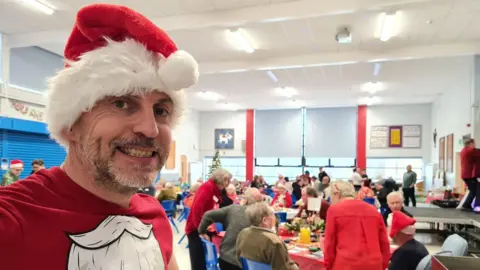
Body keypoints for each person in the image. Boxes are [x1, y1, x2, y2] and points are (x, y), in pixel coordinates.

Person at [0, 4, 200, 269]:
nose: (150, 129)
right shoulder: (13, 220)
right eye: (120, 103)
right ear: (71, 123)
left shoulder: (154, 217)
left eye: (161, 110)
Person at [324, 181, 390, 270]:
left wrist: (328, 265)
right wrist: (383, 265)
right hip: (374, 263)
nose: (330, 201)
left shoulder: (334, 210)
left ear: (337, 194)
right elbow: (384, 242)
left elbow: (329, 243)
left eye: (331, 197)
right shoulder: (374, 210)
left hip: (346, 264)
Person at [198, 188, 263, 270]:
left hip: (225, 259)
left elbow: (207, 215)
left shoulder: (233, 208)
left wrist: (202, 232)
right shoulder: (262, 215)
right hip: (247, 265)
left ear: (245, 199)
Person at [186, 168, 232, 270]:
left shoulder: (215, 189)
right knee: (198, 260)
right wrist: (201, 231)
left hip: (205, 227)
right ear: (222, 179)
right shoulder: (207, 188)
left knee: (203, 258)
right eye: (227, 180)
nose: (228, 184)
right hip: (195, 228)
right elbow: (197, 211)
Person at [236, 202, 299, 270]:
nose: (274, 217)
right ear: (265, 220)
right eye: (272, 214)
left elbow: (239, 260)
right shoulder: (274, 242)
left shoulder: (243, 233)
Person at [460, 139, 480, 211]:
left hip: (465, 174)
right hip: (469, 175)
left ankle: (466, 205)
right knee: (477, 189)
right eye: (474, 144)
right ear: (470, 143)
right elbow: (477, 153)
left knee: (473, 190)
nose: (475, 145)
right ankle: (470, 205)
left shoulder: (463, 150)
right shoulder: (471, 151)